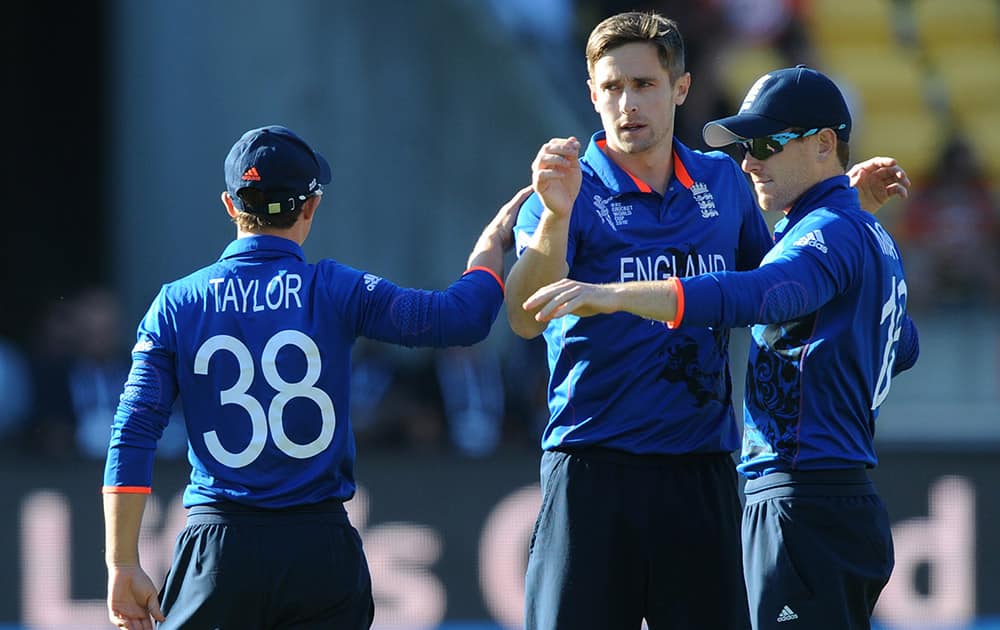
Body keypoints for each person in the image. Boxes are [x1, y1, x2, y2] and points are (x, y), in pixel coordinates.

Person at [504, 11, 909, 630]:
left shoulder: (724, 180)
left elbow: (772, 286)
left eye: (644, 84)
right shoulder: (564, 187)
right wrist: (556, 220)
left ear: (681, 89)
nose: (627, 103)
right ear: (592, 94)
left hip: (702, 468)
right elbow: (525, 318)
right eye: (611, 87)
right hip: (590, 466)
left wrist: (839, 204)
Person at [102, 124, 529, 630]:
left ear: (229, 206)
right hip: (318, 549)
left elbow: (132, 431)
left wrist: (122, 562)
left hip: (218, 550)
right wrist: (490, 246)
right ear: (310, 207)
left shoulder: (177, 303)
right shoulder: (333, 289)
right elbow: (460, 318)